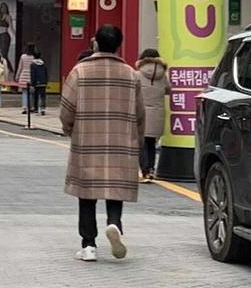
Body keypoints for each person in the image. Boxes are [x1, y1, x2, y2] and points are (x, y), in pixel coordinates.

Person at [57, 25, 149, 261]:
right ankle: (115, 224)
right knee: (114, 188)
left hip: (88, 140)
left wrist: (69, 129)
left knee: (86, 194)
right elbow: (140, 113)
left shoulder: (80, 71)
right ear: (119, 45)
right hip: (121, 142)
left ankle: (88, 245)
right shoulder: (131, 75)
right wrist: (138, 140)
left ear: (96, 43)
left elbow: (67, 107)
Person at [134, 45, 169, 180]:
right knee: (151, 143)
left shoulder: (137, 75)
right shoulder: (163, 75)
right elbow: (168, 90)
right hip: (158, 112)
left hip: (141, 112)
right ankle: (151, 168)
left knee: (141, 143)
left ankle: (145, 170)